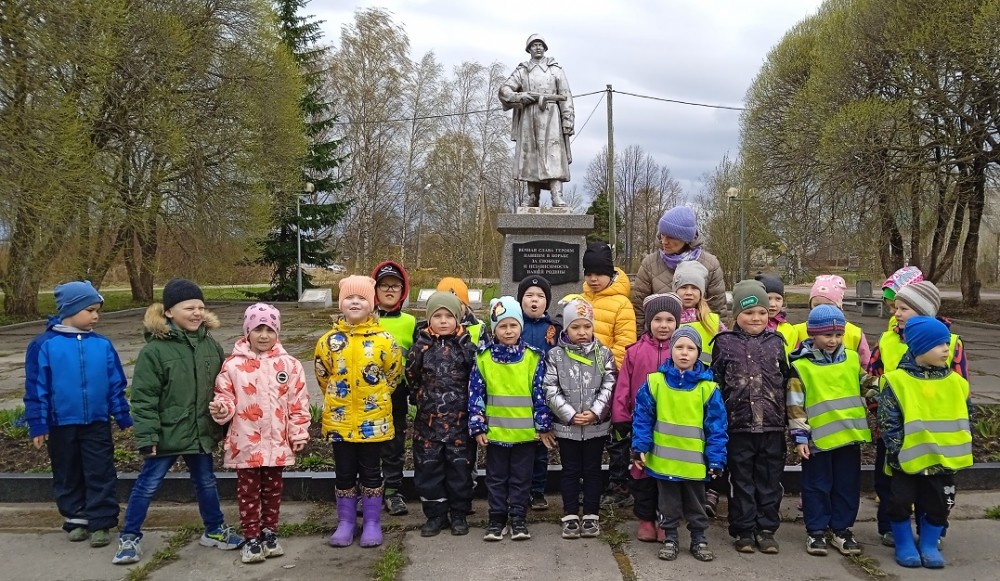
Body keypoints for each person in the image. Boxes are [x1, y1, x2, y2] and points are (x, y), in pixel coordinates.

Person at [113, 278, 242, 564]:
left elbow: (222, 387)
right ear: (169, 311)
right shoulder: (155, 351)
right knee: (148, 484)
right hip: (167, 433)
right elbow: (144, 398)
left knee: (206, 482)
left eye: (200, 307)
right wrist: (147, 437)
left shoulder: (210, 344)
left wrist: (223, 418)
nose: (197, 313)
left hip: (199, 431)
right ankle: (130, 536)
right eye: (189, 308)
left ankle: (214, 529)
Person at [23, 281, 131, 549]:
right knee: (67, 471)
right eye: (90, 310)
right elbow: (36, 388)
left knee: (100, 470)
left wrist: (122, 414)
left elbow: (115, 383)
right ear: (70, 310)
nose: (96, 316)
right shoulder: (44, 345)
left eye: (97, 311)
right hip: (61, 423)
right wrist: (38, 424)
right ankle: (76, 518)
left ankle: (101, 521)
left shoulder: (102, 345)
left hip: (96, 421)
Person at [866, 280, 967, 547]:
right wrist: (884, 416)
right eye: (896, 307)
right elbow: (874, 377)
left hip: (936, 435)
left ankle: (931, 530)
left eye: (904, 308)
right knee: (891, 485)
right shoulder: (887, 340)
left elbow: (959, 388)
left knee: (934, 487)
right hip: (894, 431)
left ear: (925, 311)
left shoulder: (951, 344)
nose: (896, 313)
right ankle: (890, 529)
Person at [210, 303, 310, 563]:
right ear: (247, 332)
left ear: (277, 332)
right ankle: (251, 537)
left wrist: (298, 433)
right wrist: (222, 409)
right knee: (248, 492)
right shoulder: (233, 366)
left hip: (277, 442)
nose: (264, 336)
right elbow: (225, 396)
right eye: (258, 329)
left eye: (269, 330)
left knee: (273, 490)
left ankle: (269, 533)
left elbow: (298, 403)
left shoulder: (289, 365)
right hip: (246, 442)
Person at [877, 316, 972, 569]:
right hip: (906, 460)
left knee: (940, 504)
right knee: (899, 502)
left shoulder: (956, 383)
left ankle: (929, 544)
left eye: (946, 343)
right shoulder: (897, 381)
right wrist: (897, 449)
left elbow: (967, 415)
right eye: (939, 344)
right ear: (920, 347)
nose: (946, 349)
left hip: (944, 460)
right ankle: (904, 543)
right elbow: (888, 419)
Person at [316, 275, 403, 548]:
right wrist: (339, 399)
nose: (355, 302)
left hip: (372, 421)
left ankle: (372, 522)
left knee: (371, 472)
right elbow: (323, 375)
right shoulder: (328, 341)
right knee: (343, 472)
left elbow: (393, 374)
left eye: (362, 298)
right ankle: (346, 522)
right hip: (340, 421)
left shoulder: (385, 340)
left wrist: (377, 397)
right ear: (341, 303)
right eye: (350, 298)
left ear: (372, 303)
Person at [631, 326, 728, 562]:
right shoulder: (655, 382)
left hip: (695, 464)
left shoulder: (708, 388)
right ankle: (671, 538)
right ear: (671, 350)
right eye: (679, 347)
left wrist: (716, 458)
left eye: (691, 348)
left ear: (698, 353)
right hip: (664, 463)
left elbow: (717, 427)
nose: (684, 353)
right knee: (668, 504)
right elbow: (643, 417)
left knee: (696, 504)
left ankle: (699, 539)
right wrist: (640, 447)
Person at [711, 279, 790, 554]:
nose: (756, 318)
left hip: (772, 425)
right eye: (748, 312)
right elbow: (716, 383)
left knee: (769, 481)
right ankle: (743, 529)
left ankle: (766, 529)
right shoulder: (724, 343)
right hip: (739, 426)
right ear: (736, 315)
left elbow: (786, 381)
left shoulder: (777, 343)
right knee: (741, 480)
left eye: (762, 312)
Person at [468, 297, 555, 542]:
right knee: (495, 479)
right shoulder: (483, 358)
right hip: (495, 435)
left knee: (521, 479)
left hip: (525, 436)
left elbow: (540, 395)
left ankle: (518, 518)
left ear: (520, 327)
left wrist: (543, 426)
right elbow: (476, 394)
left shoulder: (533, 358)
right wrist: (478, 425)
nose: (508, 331)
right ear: (494, 329)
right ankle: (496, 518)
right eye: (502, 326)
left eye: (513, 325)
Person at [787, 305, 870, 557]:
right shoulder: (801, 367)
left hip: (849, 437)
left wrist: (889, 387)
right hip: (818, 441)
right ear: (813, 334)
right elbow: (795, 405)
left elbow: (866, 384)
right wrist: (799, 437)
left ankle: (842, 529)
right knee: (816, 486)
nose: (833, 340)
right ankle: (816, 530)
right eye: (827, 335)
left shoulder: (852, 360)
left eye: (838, 335)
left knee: (847, 486)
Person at [612, 292, 682, 541]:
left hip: (673, 426)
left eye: (669, 320)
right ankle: (645, 519)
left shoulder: (682, 351)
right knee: (641, 471)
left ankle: (666, 520)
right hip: (642, 424)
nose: (663, 325)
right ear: (649, 322)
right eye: (658, 320)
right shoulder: (635, 352)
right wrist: (621, 416)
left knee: (668, 475)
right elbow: (623, 386)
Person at [542, 299, 616, 540]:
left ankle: (592, 514)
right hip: (568, 427)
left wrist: (595, 412)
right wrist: (570, 414)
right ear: (566, 329)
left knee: (593, 470)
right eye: (575, 327)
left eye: (587, 326)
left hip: (595, 426)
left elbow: (609, 384)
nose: (582, 332)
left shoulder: (603, 354)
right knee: (570, 470)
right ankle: (571, 514)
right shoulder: (555, 355)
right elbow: (550, 387)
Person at [406, 291, 478, 537]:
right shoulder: (421, 347)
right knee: (429, 470)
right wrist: (420, 398)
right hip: (428, 424)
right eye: (438, 316)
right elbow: (411, 376)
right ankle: (435, 515)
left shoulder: (466, 346)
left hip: (460, 422)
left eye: (449, 316)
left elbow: (476, 378)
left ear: (458, 318)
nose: (444, 321)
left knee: (460, 470)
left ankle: (459, 513)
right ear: (429, 319)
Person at [579, 241, 636, 508]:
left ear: (610, 273)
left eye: (599, 273)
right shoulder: (580, 301)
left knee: (616, 436)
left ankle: (618, 485)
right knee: (588, 436)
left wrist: (602, 371)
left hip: (611, 381)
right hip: (581, 381)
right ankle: (588, 484)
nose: (593, 279)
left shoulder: (622, 304)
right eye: (588, 273)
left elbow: (624, 345)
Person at [498, 34, 574, 207]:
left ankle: (557, 194)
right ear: (529, 49)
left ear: (545, 48)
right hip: (529, 117)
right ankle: (532, 196)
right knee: (530, 156)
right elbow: (504, 90)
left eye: (540, 45)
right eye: (534, 45)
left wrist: (567, 120)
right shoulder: (523, 70)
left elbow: (566, 96)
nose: (538, 47)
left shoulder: (556, 70)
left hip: (551, 116)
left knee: (554, 155)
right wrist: (519, 96)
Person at [631, 205, 727, 329]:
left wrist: (720, 339)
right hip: (659, 338)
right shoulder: (649, 264)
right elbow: (639, 311)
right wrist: (643, 340)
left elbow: (718, 310)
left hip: (700, 338)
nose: (664, 241)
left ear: (686, 238)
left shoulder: (710, 264)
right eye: (662, 235)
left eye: (671, 237)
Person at [371, 260, 416, 516]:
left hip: (396, 394)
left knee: (394, 444)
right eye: (384, 285)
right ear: (375, 290)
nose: (389, 290)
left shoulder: (410, 322)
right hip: (366, 395)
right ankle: (370, 490)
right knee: (368, 446)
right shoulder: (365, 319)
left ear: (403, 290)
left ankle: (393, 491)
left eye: (395, 286)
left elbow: (416, 359)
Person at [517, 275, 562, 511]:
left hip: (544, 395)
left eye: (540, 296)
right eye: (529, 296)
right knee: (522, 446)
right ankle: (521, 490)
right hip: (520, 394)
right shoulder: (515, 326)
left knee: (541, 445)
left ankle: (537, 490)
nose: (534, 301)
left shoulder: (553, 329)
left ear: (547, 302)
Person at [793, 275, 871, 368]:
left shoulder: (855, 333)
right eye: (817, 305)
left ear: (839, 306)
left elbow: (866, 365)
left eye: (829, 305)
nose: (823, 309)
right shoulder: (796, 331)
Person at [673, 260, 726, 363]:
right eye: (683, 287)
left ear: (701, 293)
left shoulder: (712, 321)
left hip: (706, 373)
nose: (689, 292)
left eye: (694, 288)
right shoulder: (669, 320)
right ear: (675, 290)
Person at [755, 273, 798, 355]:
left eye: (778, 299)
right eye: (768, 298)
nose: (773, 304)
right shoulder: (751, 326)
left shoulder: (789, 329)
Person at [437, 277, 486, 345]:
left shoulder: (479, 328)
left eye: (458, 303)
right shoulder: (428, 329)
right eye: (446, 305)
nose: (453, 308)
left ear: (466, 306)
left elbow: (486, 351)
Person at [880, 266, 923, 331]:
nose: (891, 311)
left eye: (894, 306)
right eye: (889, 306)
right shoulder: (894, 321)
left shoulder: (926, 331)